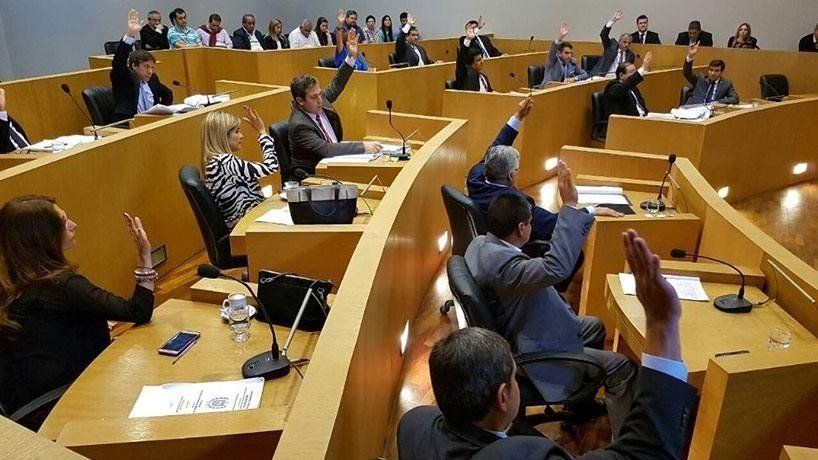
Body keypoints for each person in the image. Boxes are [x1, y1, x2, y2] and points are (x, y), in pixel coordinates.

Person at [398, 229, 697, 459]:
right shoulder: (523, 455)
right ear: (503, 397)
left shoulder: (413, 424)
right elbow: (644, 455)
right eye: (513, 377)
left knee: (592, 328)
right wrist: (661, 325)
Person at [464, 178, 638, 437]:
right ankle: (626, 446)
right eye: (530, 222)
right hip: (531, 348)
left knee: (595, 326)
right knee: (622, 367)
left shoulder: (480, 244)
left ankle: (580, 405)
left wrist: (582, 210)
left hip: (527, 323)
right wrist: (570, 205)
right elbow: (556, 268)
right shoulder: (504, 268)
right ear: (522, 228)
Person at [0, 196, 155, 427]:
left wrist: (88, 320)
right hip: (55, 406)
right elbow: (138, 311)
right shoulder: (64, 286)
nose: (74, 224)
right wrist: (145, 256)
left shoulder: (10, 281)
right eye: (64, 222)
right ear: (44, 236)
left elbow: (41, 327)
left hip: (20, 403)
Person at [467, 98, 622, 244]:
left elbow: (496, 146)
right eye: (517, 169)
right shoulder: (515, 203)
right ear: (511, 176)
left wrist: (518, 116)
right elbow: (555, 224)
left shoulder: (475, 176)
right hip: (523, 246)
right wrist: (590, 209)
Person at [288, 31, 381, 177]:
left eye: (319, 94)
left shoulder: (319, 100)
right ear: (300, 101)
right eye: (314, 97)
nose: (320, 100)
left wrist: (351, 57)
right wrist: (362, 147)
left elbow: (337, 83)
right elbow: (327, 149)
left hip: (336, 163)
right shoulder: (299, 125)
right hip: (315, 174)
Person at [202, 106, 279, 229]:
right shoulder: (224, 161)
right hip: (246, 226)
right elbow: (271, 166)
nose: (241, 136)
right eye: (237, 132)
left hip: (247, 220)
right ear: (223, 136)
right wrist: (262, 132)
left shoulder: (215, 161)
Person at [111, 10, 173, 122]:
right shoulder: (124, 78)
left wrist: (162, 113)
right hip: (129, 125)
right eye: (146, 67)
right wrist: (130, 35)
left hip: (151, 122)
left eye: (152, 67)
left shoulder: (153, 79)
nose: (150, 71)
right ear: (134, 66)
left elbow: (168, 94)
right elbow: (118, 62)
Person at [603, 51, 653, 120]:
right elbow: (624, 87)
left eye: (635, 71)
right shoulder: (612, 87)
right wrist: (642, 69)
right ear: (621, 75)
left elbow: (642, 107)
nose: (634, 74)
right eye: (631, 72)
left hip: (643, 119)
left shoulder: (633, 87)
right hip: (627, 121)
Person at [538, 22, 589, 86]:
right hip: (548, 89)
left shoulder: (572, 62)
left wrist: (574, 78)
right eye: (566, 53)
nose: (569, 56)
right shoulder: (553, 61)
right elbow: (553, 49)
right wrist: (561, 37)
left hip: (563, 89)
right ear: (559, 53)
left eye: (570, 53)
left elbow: (585, 75)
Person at [590, 10, 635, 77]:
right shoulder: (611, 46)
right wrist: (613, 20)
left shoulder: (630, 55)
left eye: (629, 43)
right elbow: (603, 34)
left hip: (618, 79)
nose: (626, 45)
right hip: (603, 76)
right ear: (619, 41)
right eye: (624, 42)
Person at [0, 89, 30, 153]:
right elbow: (3, 150)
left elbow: (24, 143)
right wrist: (1, 110)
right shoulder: (2, 118)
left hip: (32, 154)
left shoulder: (5, 118)